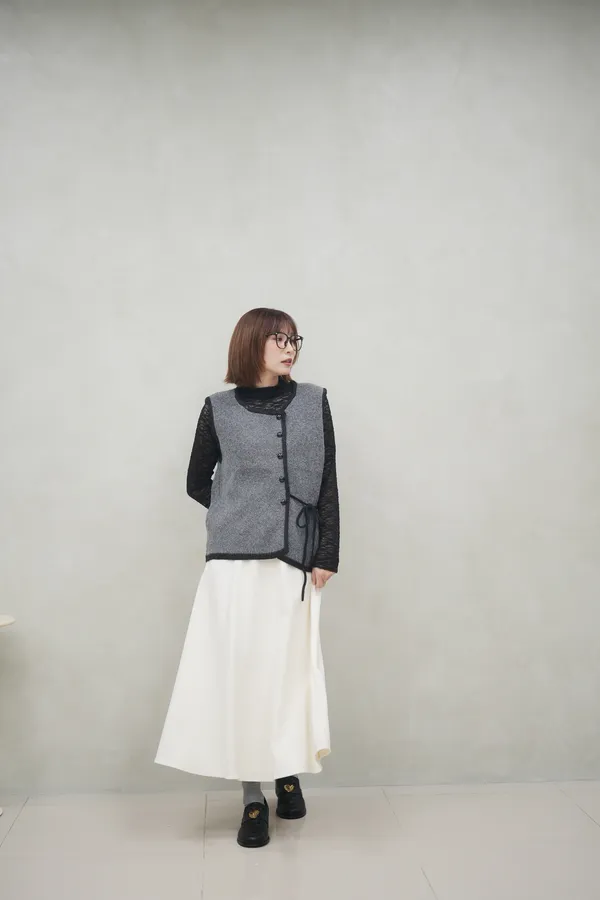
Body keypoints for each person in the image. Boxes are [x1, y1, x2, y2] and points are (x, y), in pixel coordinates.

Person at [154, 307, 340, 848]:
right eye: (279, 339)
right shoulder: (217, 409)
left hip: (293, 561)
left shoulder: (315, 402)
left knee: (286, 674)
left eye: (294, 339)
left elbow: (328, 483)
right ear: (251, 343)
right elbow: (197, 481)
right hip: (233, 566)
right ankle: (252, 797)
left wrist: (327, 552)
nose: (290, 348)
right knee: (242, 676)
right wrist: (238, 513)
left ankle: (287, 773)